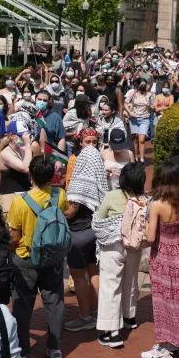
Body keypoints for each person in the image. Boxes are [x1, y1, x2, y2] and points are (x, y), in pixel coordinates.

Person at [7, 155, 68, 358]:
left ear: (30, 175)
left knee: (23, 307)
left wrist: (11, 252)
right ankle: (55, 348)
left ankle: (23, 354)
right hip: (52, 258)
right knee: (54, 302)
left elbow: (14, 236)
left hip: (26, 259)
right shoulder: (59, 195)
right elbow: (65, 213)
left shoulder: (19, 201)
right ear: (52, 176)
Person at [142, 162, 179, 358]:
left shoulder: (157, 205)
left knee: (163, 300)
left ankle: (162, 347)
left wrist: (146, 222)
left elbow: (149, 238)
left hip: (163, 254)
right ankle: (177, 339)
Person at [94, 161, 146, 348]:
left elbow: (98, 220)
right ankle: (129, 317)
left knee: (111, 284)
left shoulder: (112, 196)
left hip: (113, 245)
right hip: (134, 246)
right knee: (130, 280)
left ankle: (113, 332)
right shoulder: (143, 199)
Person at [64, 134, 111, 333]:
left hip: (78, 233)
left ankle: (85, 316)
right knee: (94, 271)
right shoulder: (100, 179)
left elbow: (71, 211)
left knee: (78, 275)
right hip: (95, 231)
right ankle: (98, 312)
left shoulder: (79, 182)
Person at [0, 127, 35, 197]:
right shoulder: (5, 153)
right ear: (11, 135)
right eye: (21, 136)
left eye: (27, 136)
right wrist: (27, 145)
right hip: (10, 196)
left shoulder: (22, 150)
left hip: (25, 194)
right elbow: (26, 168)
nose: (24, 138)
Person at [123, 78, 154, 163]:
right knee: (135, 139)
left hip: (145, 119)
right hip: (134, 119)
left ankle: (142, 159)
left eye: (144, 84)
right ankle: (136, 157)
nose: (143, 86)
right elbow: (125, 104)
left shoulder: (149, 95)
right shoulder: (133, 93)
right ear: (138, 85)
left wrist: (149, 106)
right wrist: (129, 113)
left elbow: (153, 107)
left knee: (142, 139)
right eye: (141, 84)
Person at [35, 89, 67, 154]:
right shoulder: (28, 115)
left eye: (45, 100)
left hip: (50, 154)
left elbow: (61, 138)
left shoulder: (55, 117)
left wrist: (60, 161)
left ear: (49, 102)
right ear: (35, 99)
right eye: (39, 99)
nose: (42, 102)